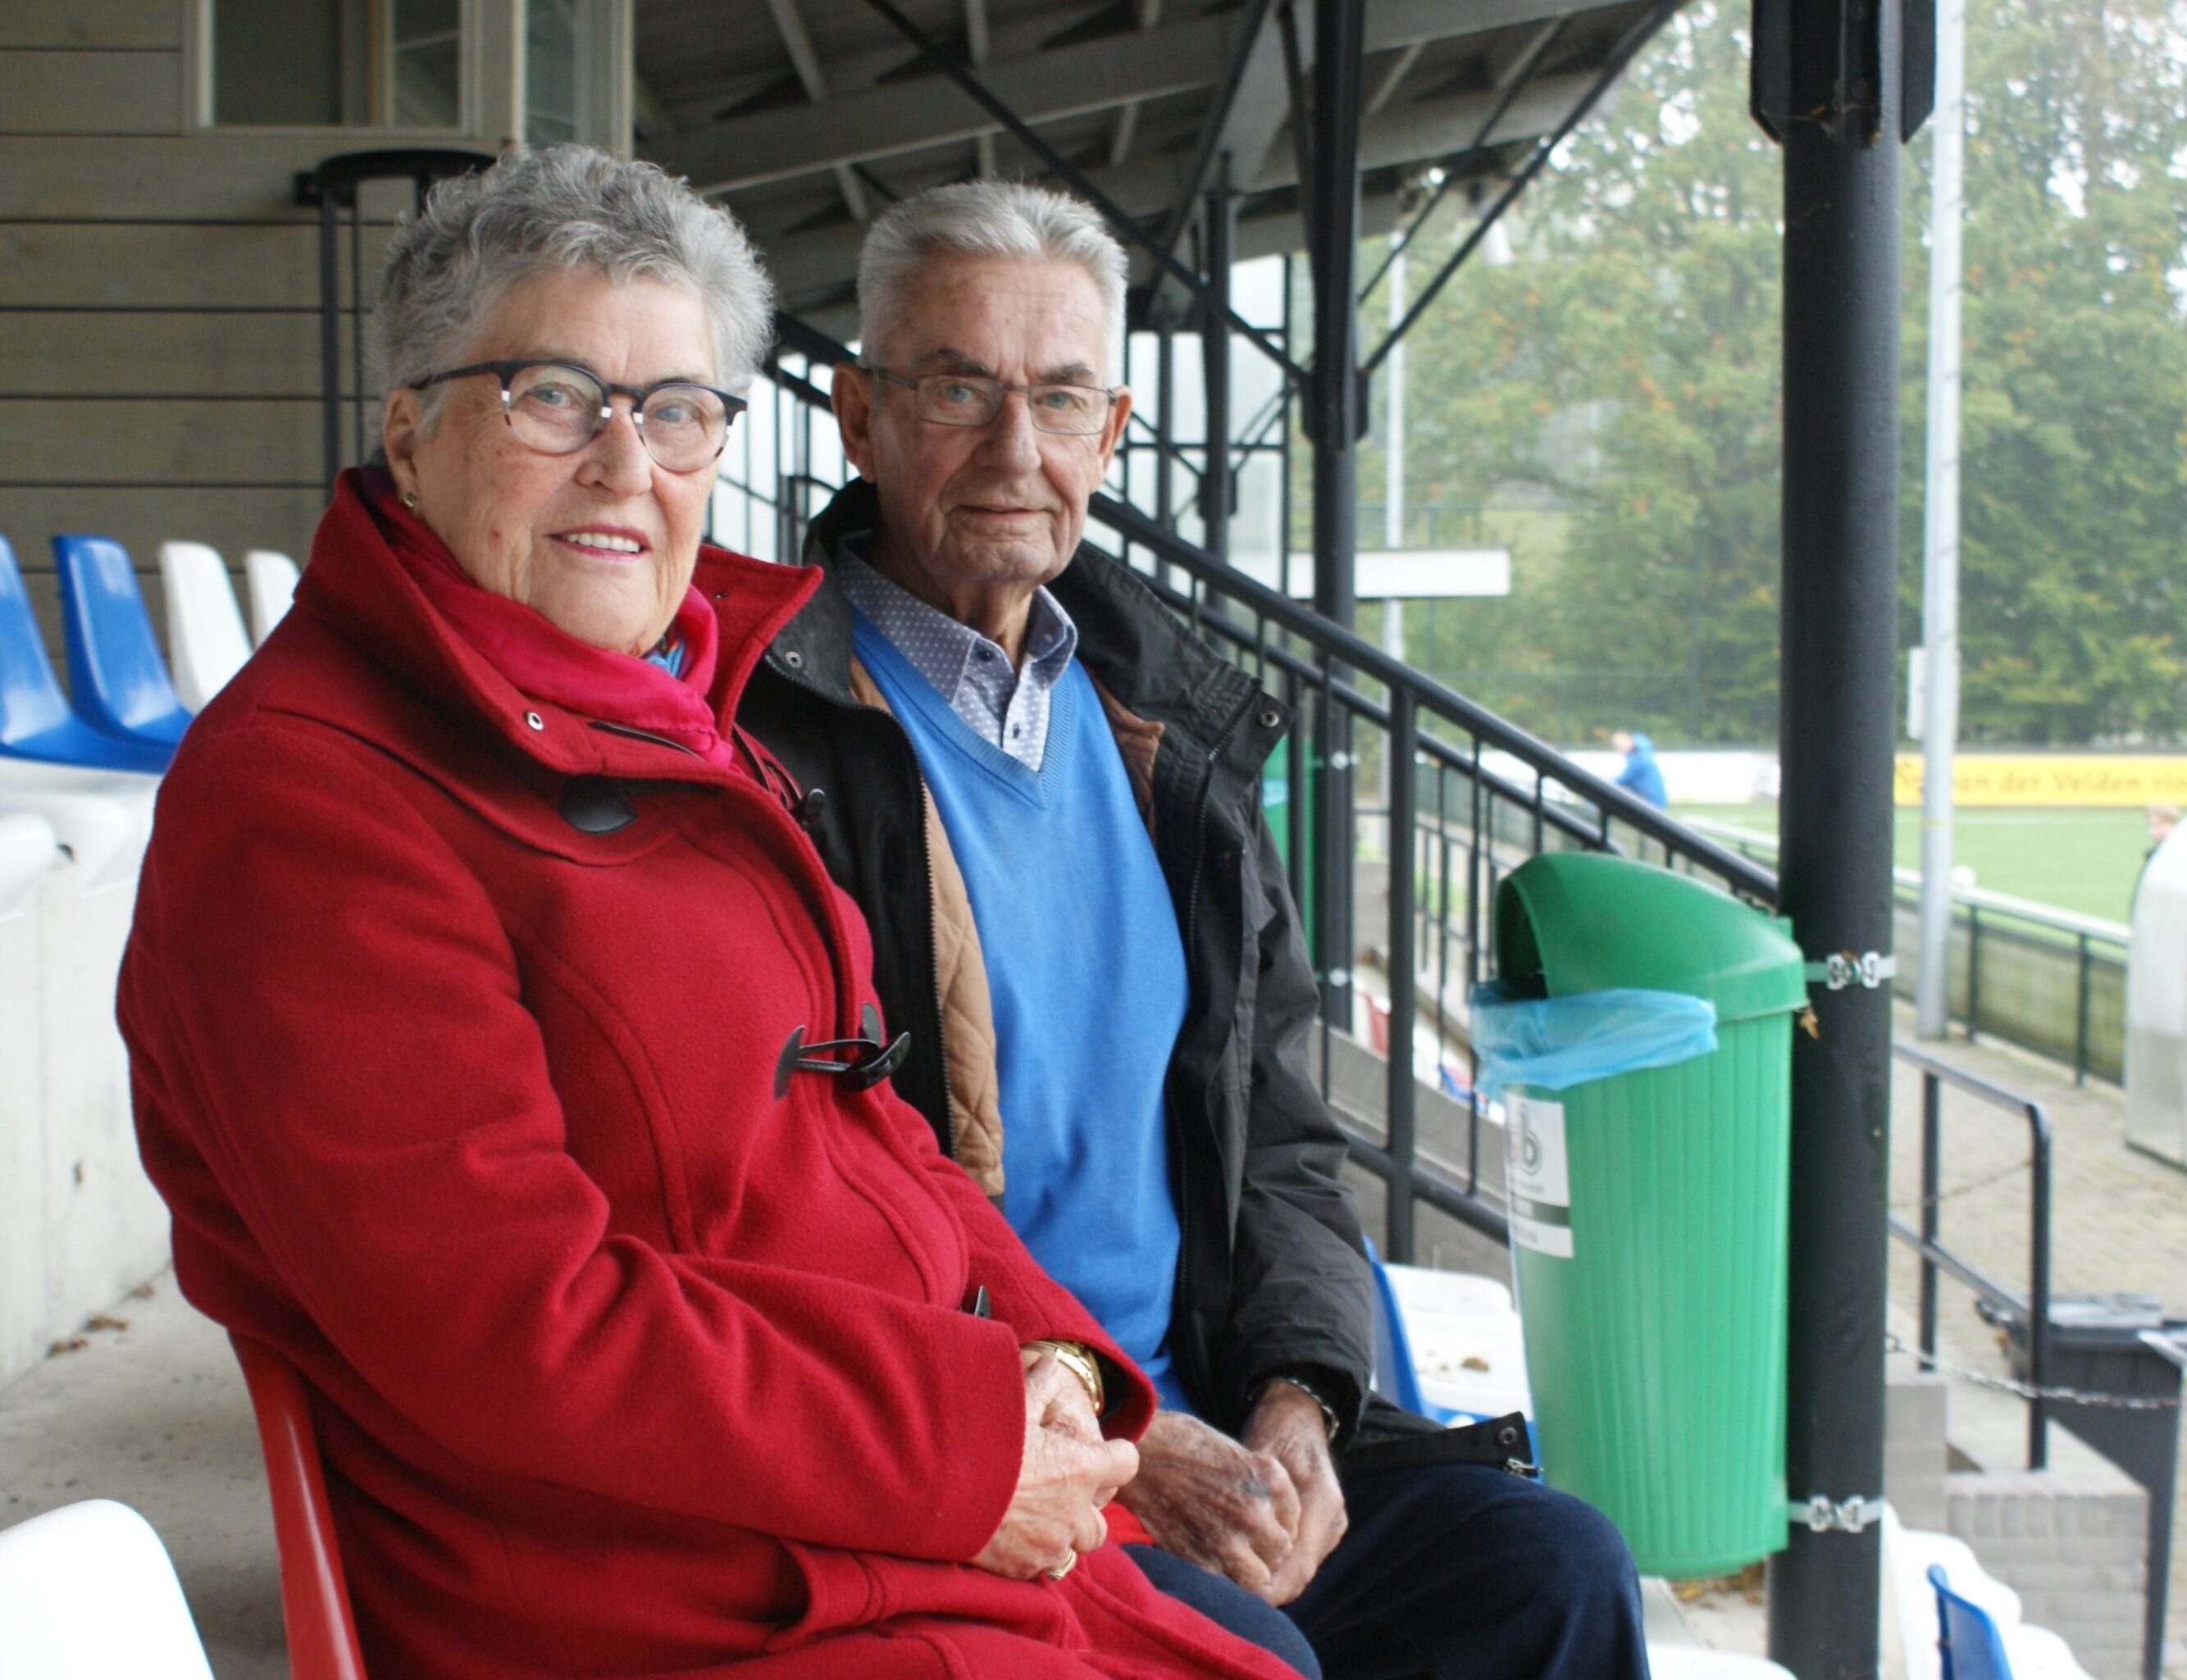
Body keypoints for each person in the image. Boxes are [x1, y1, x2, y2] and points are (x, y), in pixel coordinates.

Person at [116, 147, 1302, 1680]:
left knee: (1431, 1599)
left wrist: (1057, 1359)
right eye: (553, 394)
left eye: (677, 408)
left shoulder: (677, 718)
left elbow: (880, 1135)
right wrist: (961, 1445)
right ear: (409, 433)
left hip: (860, 1521)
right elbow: (514, 1318)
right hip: (658, 1593)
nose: (627, 463)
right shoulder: (308, 803)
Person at [739, 180, 1647, 1680]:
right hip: (984, 1464)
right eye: (958, 388)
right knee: (1242, 1654)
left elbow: (1284, 1128)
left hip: (1211, 1409)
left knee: (1549, 1569)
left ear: (1114, 428)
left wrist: (1302, 1396)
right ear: (858, 413)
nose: (1014, 449)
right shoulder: (774, 736)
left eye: (1061, 396)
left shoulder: (1175, 732)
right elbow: (793, 1199)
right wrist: (1107, 1439)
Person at [1611, 726, 1667, 808]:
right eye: (1617, 747)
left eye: (1620, 746)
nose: (1620, 750)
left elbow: (1622, 780)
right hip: (1653, 800)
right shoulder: (1643, 753)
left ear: (1628, 741)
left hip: (1650, 801)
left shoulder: (1638, 758)